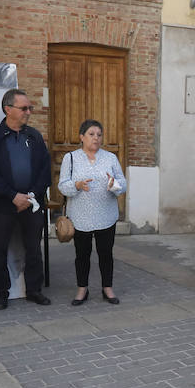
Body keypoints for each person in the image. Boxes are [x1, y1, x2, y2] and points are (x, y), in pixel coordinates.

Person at [0, 88, 52, 307]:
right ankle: (1, 293)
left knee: (33, 248)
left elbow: (44, 170)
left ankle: (34, 290)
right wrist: (12, 196)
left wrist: (30, 196)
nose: (29, 112)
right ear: (7, 109)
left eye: (30, 108)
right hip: (2, 204)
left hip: (31, 203)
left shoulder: (34, 136)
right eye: (24, 108)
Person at [59, 119, 128, 305]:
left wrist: (114, 185)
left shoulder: (110, 158)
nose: (96, 138)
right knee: (82, 255)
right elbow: (62, 186)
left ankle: (108, 288)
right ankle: (82, 289)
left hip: (106, 215)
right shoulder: (71, 158)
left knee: (106, 253)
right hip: (80, 217)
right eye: (91, 134)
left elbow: (123, 184)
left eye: (99, 134)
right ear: (81, 137)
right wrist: (77, 185)